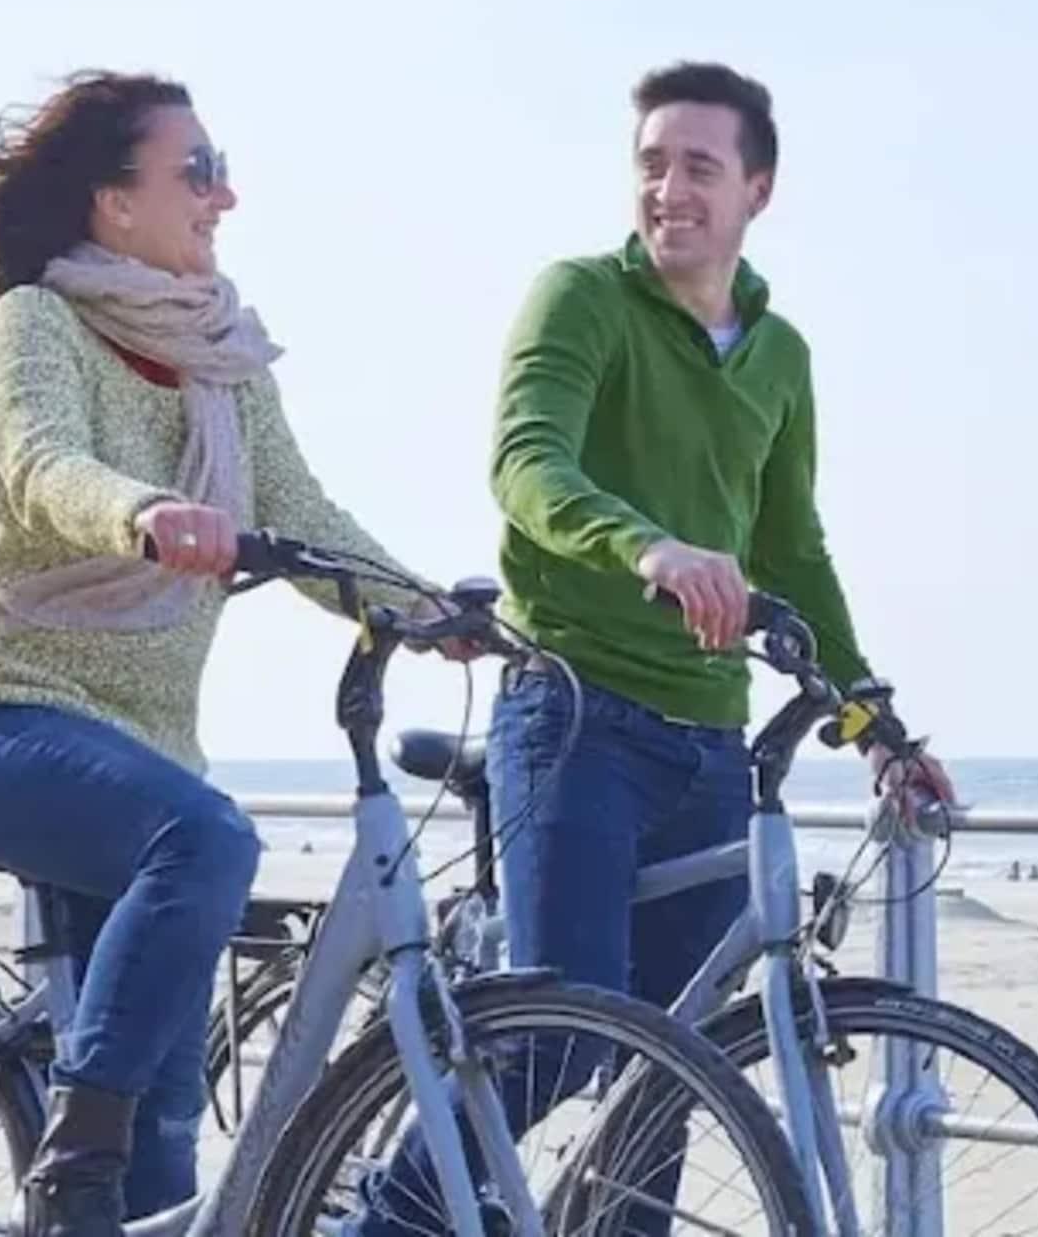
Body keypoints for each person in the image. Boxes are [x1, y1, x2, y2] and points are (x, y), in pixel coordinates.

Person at [345, 61, 956, 1234]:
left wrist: (875, 725)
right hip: (575, 716)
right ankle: (384, 1223)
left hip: (710, 743)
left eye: (698, 167)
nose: (668, 189)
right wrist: (648, 547)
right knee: (558, 1040)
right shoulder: (580, 297)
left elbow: (792, 549)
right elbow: (526, 464)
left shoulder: (780, 356)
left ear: (756, 190)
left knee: (670, 1074)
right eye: (651, 164)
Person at [0, 70, 457, 1237]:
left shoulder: (222, 367)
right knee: (210, 841)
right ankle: (69, 1155)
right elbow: (45, 464)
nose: (224, 196)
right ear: (113, 201)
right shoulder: (38, 324)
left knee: (167, 1121)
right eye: (196, 171)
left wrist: (434, 611)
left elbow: (305, 519)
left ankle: (98, 1156)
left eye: (222, 170)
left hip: (138, 763)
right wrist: (143, 511)